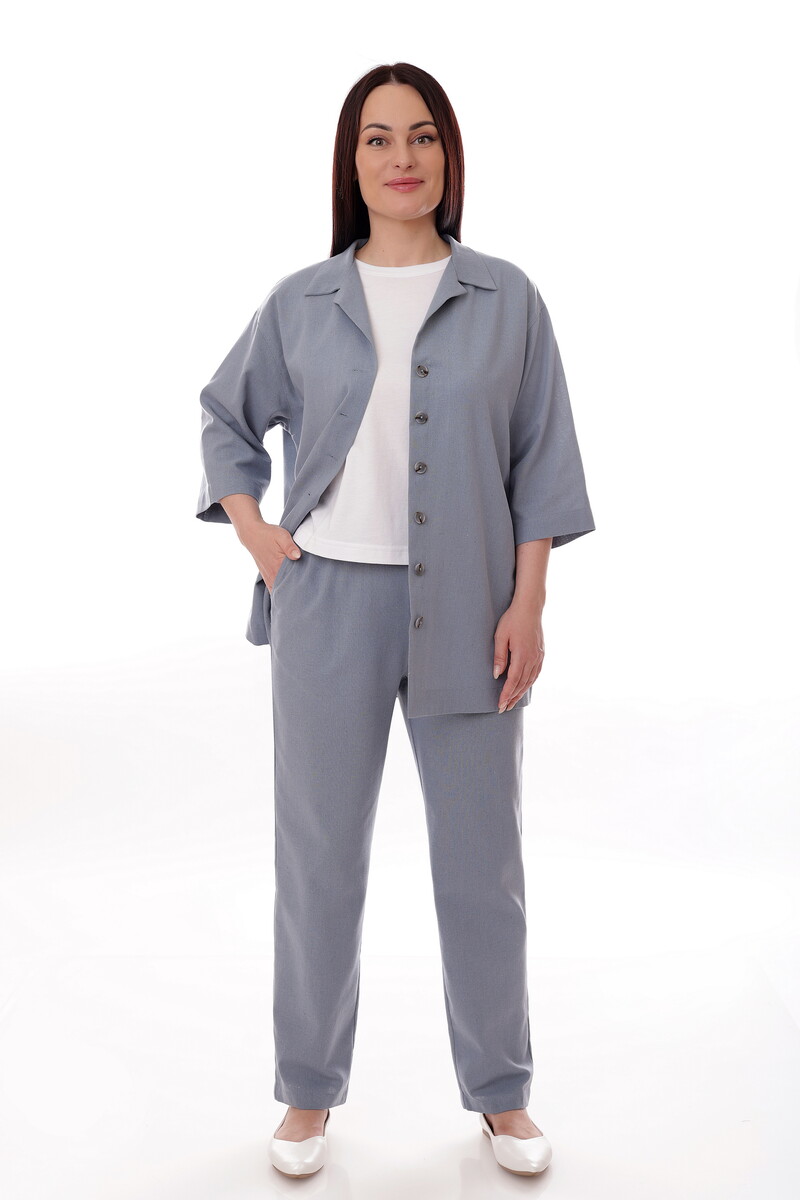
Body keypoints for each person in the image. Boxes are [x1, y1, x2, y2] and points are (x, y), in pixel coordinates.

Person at [195, 61, 595, 1179]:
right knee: (319, 860)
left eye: (420, 135)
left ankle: (502, 1095)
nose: (401, 157)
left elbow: (541, 461)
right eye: (377, 138)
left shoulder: (507, 299)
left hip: (472, 609)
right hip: (326, 604)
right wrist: (259, 536)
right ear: (352, 160)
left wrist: (528, 602)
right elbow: (226, 419)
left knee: (482, 861)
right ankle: (307, 1094)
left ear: (447, 155)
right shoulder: (301, 302)